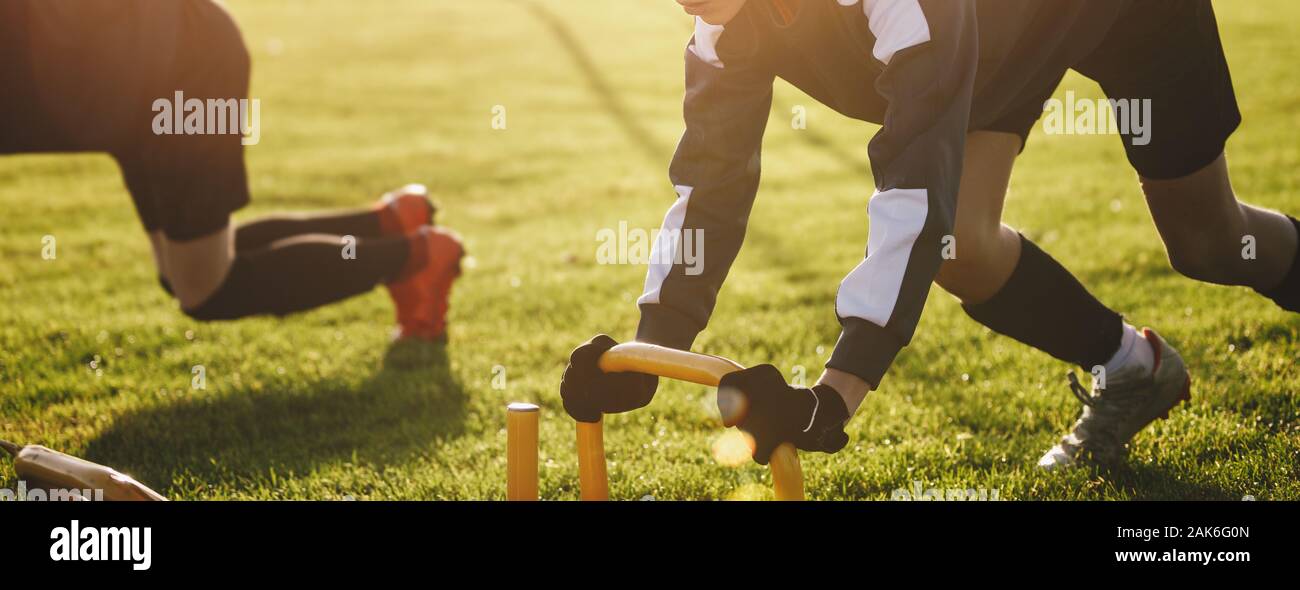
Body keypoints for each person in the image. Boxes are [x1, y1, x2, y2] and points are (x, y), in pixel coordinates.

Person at [561, 0, 1299, 469]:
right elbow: (708, 188)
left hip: (1125, 14)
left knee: (1207, 243)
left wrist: (835, 396)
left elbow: (912, 190)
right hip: (998, 39)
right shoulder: (722, 28)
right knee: (963, 251)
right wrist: (650, 348)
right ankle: (1135, 369)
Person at [0, 0, 464, 340]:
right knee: (181, 271)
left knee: (205, 288)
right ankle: (389, 223)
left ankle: (417, 257)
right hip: (143, 77)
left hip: (184, 70)